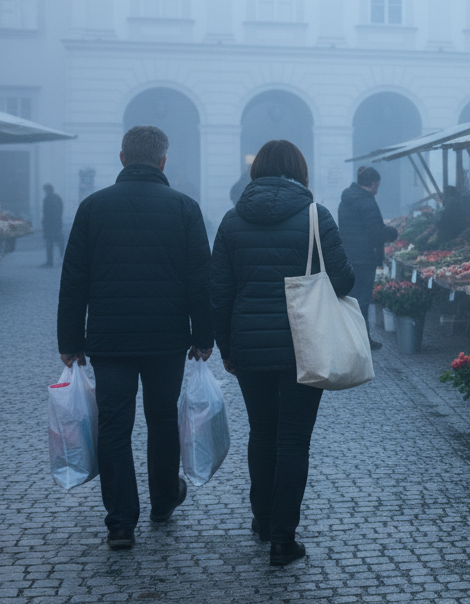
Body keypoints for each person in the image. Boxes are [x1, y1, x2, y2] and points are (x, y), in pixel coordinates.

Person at [56, 125, 212, 551]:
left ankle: (120, 523)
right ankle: (163, 501)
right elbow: (200, 280)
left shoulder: (92, 207)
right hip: (166, 338)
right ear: (163, 162)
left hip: (109, 339)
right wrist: (204, 336)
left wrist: (70, 340)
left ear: (122, 158)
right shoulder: (185, 208)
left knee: (114, 426)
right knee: (162, 420)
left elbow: (74, 281)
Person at [210, 139, 355, 566]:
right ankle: (282, 538)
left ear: (256, 173)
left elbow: (219, 293)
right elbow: (343, 282)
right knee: (294, 440)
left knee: (261, 432)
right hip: (304, 345)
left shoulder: (232, 221)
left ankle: (261, 518)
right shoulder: (316, 216)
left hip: (250, 348)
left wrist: (226, 347)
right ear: (299, 170)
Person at [339, 166, 398, 349]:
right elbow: (375, 232)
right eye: (377, 185)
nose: (377, 188)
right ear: (373, 183)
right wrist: (392, 232)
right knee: (362, 301)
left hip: (349, 255)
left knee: (351, 298)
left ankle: (350, 338)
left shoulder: (346, 200)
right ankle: (362, 341)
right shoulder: (366, 202)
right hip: (364, 258)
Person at [41, 183, 63, 267]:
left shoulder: (47, 199)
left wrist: (44, 223)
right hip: (57, 223)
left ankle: (50, 261)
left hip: (49, 224)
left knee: (49, 242)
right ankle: (61, 257)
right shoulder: (58, 198)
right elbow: (60, 211)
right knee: (59, 241)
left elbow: (46, 213)